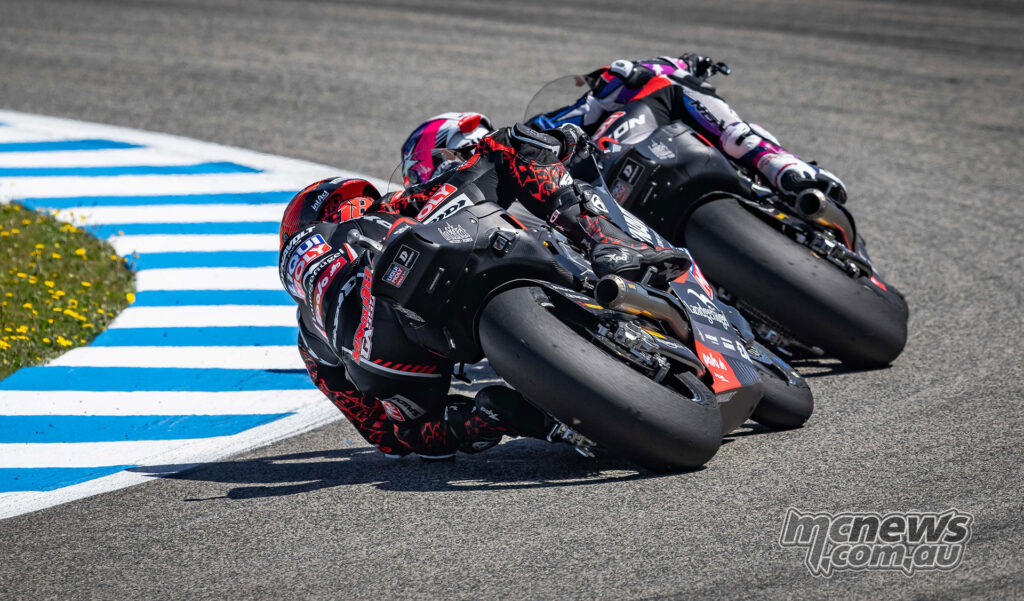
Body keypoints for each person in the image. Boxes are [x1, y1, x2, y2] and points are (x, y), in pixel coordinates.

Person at [279, 113, 691, 461]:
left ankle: (495, 418)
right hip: (419, 265)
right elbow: (461, 175)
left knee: (419, 434)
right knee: (505, 147)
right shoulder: (380, 212)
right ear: (342, 204)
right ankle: (607, 242)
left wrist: (429, 423)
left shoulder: (308, 335)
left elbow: (383, 437)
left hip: (382, 357)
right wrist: (558, 142)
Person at [529, 54, 847, 203]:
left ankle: (775, 163)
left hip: (612, 161)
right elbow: (543, 128)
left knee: (667, 85)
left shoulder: (622, 82)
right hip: (600, 174)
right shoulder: (595, 97)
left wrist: (686, 63)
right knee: (666, 86)